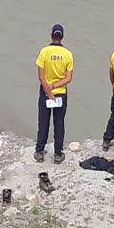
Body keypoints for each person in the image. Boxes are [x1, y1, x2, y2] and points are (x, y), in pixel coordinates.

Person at [34, 24, 74, 164]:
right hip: (61, 93)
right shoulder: (68, 54)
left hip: (45, 93)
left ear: (51, 35)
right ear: (62, 37)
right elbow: (68, 79)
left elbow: (41, 76)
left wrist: (48, 91)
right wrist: (54, 87)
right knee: (59, 123)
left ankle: (39, 152)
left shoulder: (44, 52)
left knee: (44, 122)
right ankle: (58, 154)